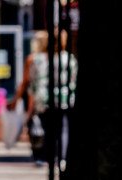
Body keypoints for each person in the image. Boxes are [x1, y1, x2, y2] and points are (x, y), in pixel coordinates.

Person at [10, 30, 76, 164]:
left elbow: (28, 83)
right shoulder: (69, 59)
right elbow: (73, 79)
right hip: (64, 97)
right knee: (62, 128)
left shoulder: (35, 59)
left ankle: (45, 156)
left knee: (45, 127)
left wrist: (18, 101)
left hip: (42, 99)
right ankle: (61, 157)